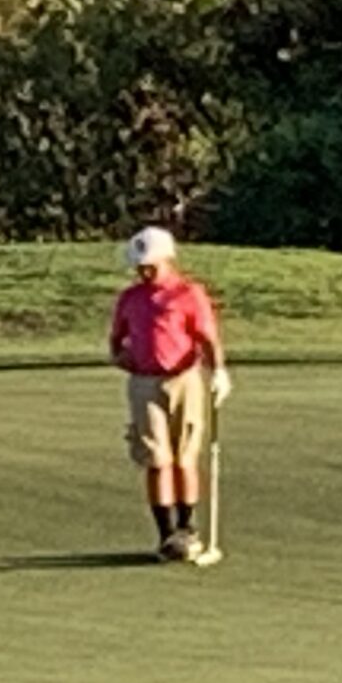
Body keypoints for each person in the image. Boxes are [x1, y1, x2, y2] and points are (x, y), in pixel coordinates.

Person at [109, 225, 231, 562]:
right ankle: (166, 536)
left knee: (185, 456)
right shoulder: (130, 298)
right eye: (140, 266)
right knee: (157, 460)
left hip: (185, 379)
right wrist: (122, 359)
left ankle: (187, 527)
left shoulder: (188, 294)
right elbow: (116, 341)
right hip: (144, 383)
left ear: (167, 259)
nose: (144, 271)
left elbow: (207, 338)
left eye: (150, 265)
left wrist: (218, 371)